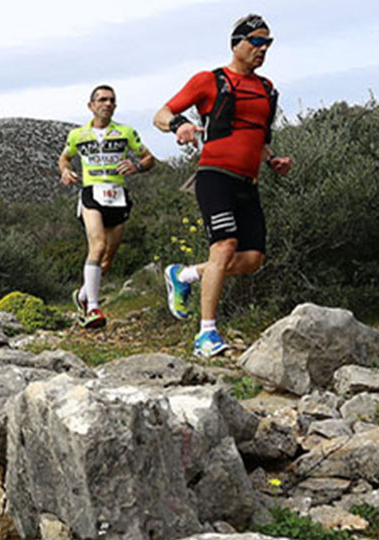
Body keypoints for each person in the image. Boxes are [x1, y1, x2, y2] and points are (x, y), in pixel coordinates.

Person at [153, 14, 292, 356]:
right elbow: (161, 114)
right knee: (225, 246)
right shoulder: (209, 80)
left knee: (253, 258)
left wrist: (272, 159)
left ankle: (183, 276)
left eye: (267, 43)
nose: (263, 49)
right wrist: (180, 126)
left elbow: (258, 138)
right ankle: (206, 335)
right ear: (237, 44)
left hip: (249, 181)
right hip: (214, 175)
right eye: (256, 42)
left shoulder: (266, 89)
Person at [59, 85, 156, 329]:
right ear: (91, 106)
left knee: (107, 260)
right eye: (102, 99)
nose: (108, 103)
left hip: (118, 196)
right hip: (91, 193)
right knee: (98, 244)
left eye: (112, 100)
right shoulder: (77, 135)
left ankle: (82, 294)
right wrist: (65, 171)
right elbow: (65, 157)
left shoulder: (126, 132)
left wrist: (137, 167)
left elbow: (148, 158)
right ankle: (93, 307)